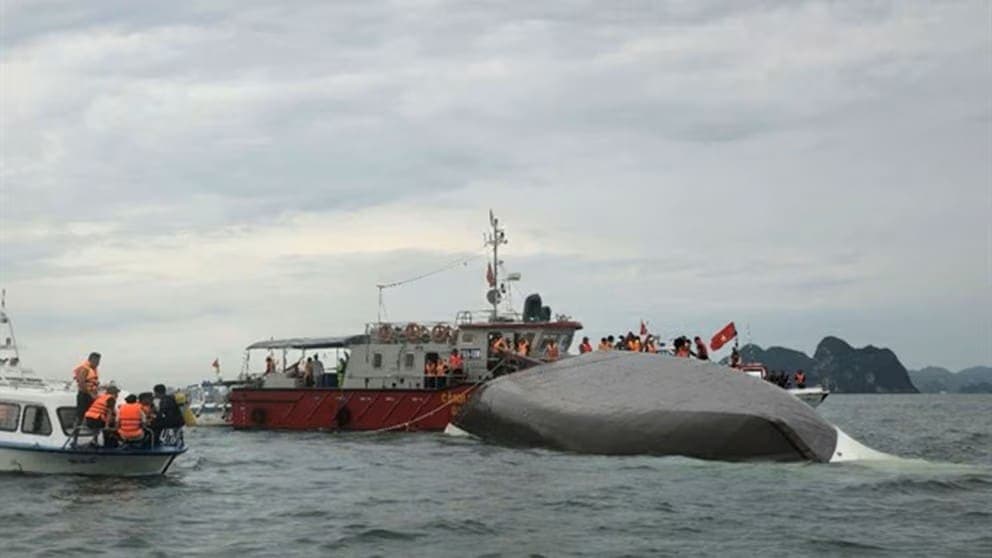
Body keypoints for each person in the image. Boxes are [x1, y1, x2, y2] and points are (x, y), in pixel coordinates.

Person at [72, 352, 101, 423]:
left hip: (90, 394)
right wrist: (90, 394)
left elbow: (92, 382)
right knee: (82, 413)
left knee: (91, 412)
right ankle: (77, 430)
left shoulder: (93, 369)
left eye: (98, 361)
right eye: (96, 361)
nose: (97, 363)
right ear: (90, 360)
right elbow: (81, 383)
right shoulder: (85, 369)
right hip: (84, 395)